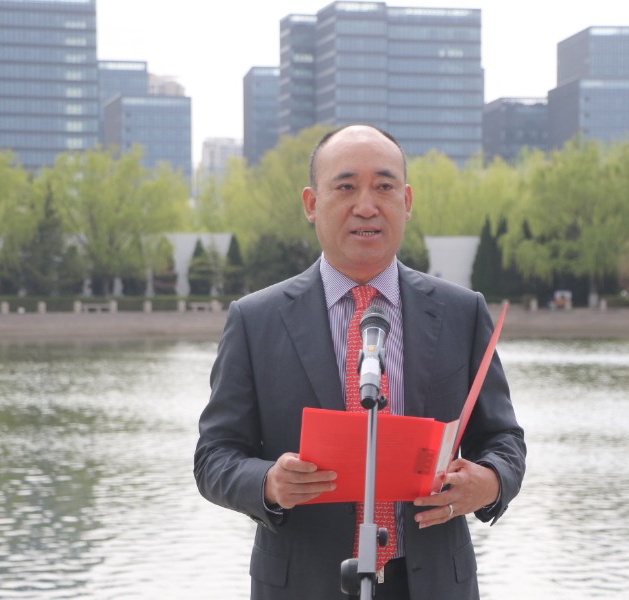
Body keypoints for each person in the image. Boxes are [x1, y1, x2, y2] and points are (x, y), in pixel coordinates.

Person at [194, 124, 526, 600]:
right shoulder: (256, 320)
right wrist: (268, 483)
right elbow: (214, 456)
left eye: (384, 187)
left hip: (432, 583)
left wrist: (490, 483)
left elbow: (504, 439)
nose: (366, 206)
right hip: (304, 584)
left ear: (406, 201)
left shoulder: (462, 312)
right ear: (312, 203)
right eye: (346, 187)